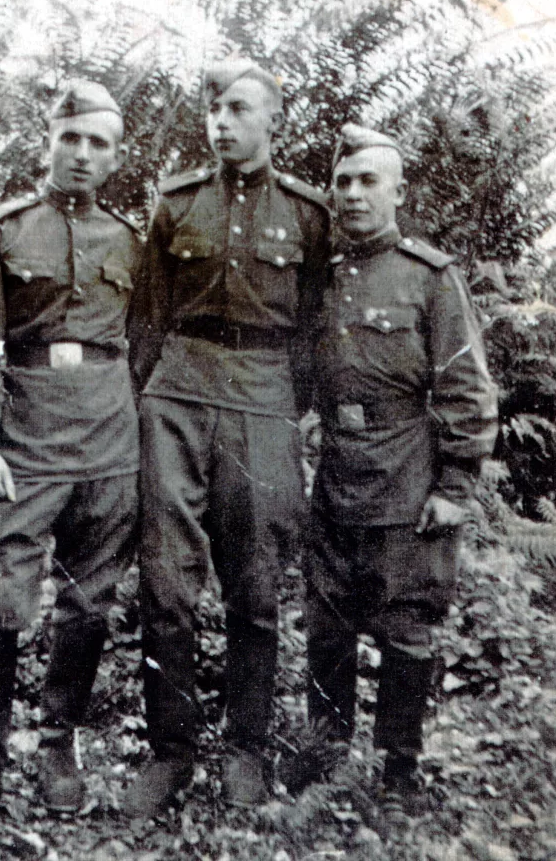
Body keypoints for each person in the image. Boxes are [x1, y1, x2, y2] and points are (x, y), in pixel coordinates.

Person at [0, 81, 142, 833]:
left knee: (89, 602)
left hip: (109, 440)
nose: (82, 154)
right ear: (48, 140)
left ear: (117, 156)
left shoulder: (127, 239)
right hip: (23, 439)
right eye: (70, 138)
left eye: (99, 143)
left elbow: (140, 346)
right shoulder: (6, 229)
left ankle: (58, 749)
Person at [125, 58, 330, 817]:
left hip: (263, 398)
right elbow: (146, 314)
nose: (221, 121)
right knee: (166, 579)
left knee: (254, 581)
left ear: (273, 119)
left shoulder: (308, 214)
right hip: (176, 394)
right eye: (213, 108)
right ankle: (169, 750)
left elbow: (314, 326)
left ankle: (245, 747)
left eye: (239, 108)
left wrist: (285, 405)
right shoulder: (176, 203)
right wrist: (149, 397)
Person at [292, 123, 498, 813]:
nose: (352, 194)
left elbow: (466, 388)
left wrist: (456, 485)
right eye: (342, 182)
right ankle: (324, 752)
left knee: (407, 626)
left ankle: (399, 769)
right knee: (326, 623)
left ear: (397, 192)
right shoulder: (318, 280)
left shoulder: (429, 278)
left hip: (407, 474)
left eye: (368, 181)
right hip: (336, 473)